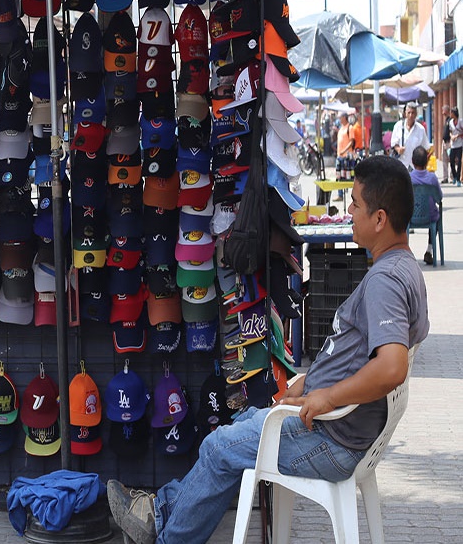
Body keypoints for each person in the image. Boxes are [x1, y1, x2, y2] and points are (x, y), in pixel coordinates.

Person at [108, 155, 429, 544]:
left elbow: (392, 367)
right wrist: (312, 380)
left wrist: (326, 396)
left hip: (332, 438)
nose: (349, 211)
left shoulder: (386, 281)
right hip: (342, 429)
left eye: (356, 204)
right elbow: (364, 355)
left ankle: (165, 533)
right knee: (239, 427)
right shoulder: (405, 267)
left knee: (218, 448)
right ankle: (160, 514)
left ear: (379, 220)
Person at [409, 146, 442, 265]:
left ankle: (406, 253)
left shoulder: (409, 178)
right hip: (430, 217)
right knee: (436, 215)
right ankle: (429, 249)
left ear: (412, 161)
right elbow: (439, 197)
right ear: (427, 161)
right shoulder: (432, 178)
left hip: (411, 217)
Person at [390, 101, 430, 171]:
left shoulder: (420, 129)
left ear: (416, 114)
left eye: (413, 113)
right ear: (405, 113)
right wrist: (398, 149)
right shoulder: (398, 126)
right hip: (401, 165)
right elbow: (393, 144)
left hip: (415, 167)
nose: (411, 115)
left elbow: (426, 148)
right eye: (409, 113)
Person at [448, 108, 462, 186]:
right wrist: (452, 136)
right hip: (453, 144)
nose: (451, 114)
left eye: (452, 113)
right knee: (452, 161)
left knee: (459, 162)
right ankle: (455, 176)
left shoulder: (460, 122)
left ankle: (458, 179)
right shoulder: (450, 122)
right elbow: (450, 131)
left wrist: (457, 135)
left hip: (459, 144)